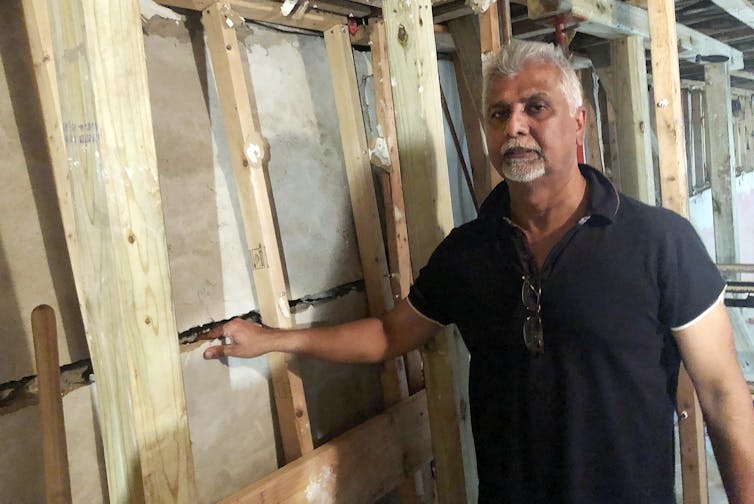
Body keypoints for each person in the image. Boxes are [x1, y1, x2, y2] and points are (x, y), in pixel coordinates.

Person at [202, 40, 754, 502]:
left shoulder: (658, 242)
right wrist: (271, 338)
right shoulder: (468, 253)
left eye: (536, 108)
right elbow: (389, 334)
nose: (514, 126)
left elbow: (724, 394)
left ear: (578, 121)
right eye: (499, 113)